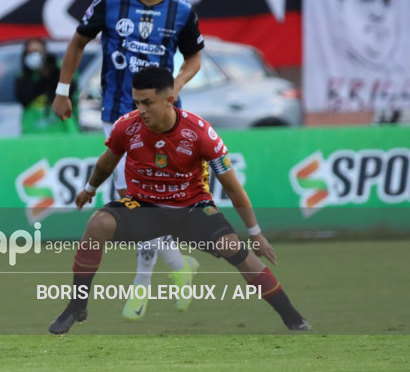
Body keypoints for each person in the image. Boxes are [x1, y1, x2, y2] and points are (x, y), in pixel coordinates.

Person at [48, 66, 311, 334]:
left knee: (233, 247)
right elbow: (107, 163)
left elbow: (232, 187)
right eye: (137, 102)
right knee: (97, 224)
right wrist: (90, 188)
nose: (141, 110)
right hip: (144, 206)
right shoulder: (126, 127)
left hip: (191, 208)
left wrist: (255, 234)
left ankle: (293, 318)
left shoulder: (199, 133)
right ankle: (77, 306)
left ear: (169, 100)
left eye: (148, 103)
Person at [52, 0, 203, 320]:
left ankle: (145, 282)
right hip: (117, 113)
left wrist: (175, 87)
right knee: (137, 201)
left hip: (162, 120)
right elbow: (77, 42)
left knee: (142, 201)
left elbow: (194, 59)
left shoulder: (182, 10)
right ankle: (174, 267)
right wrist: (62, 90)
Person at [15, 38, 78, 134]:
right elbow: (24, 98)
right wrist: (40, 77)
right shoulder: (23, 75)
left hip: (62, 129)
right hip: (33, 130)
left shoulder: (59, 69)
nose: (35, 56)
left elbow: (71, 90)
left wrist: (51, 73)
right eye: (31, 52)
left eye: (37, 52)